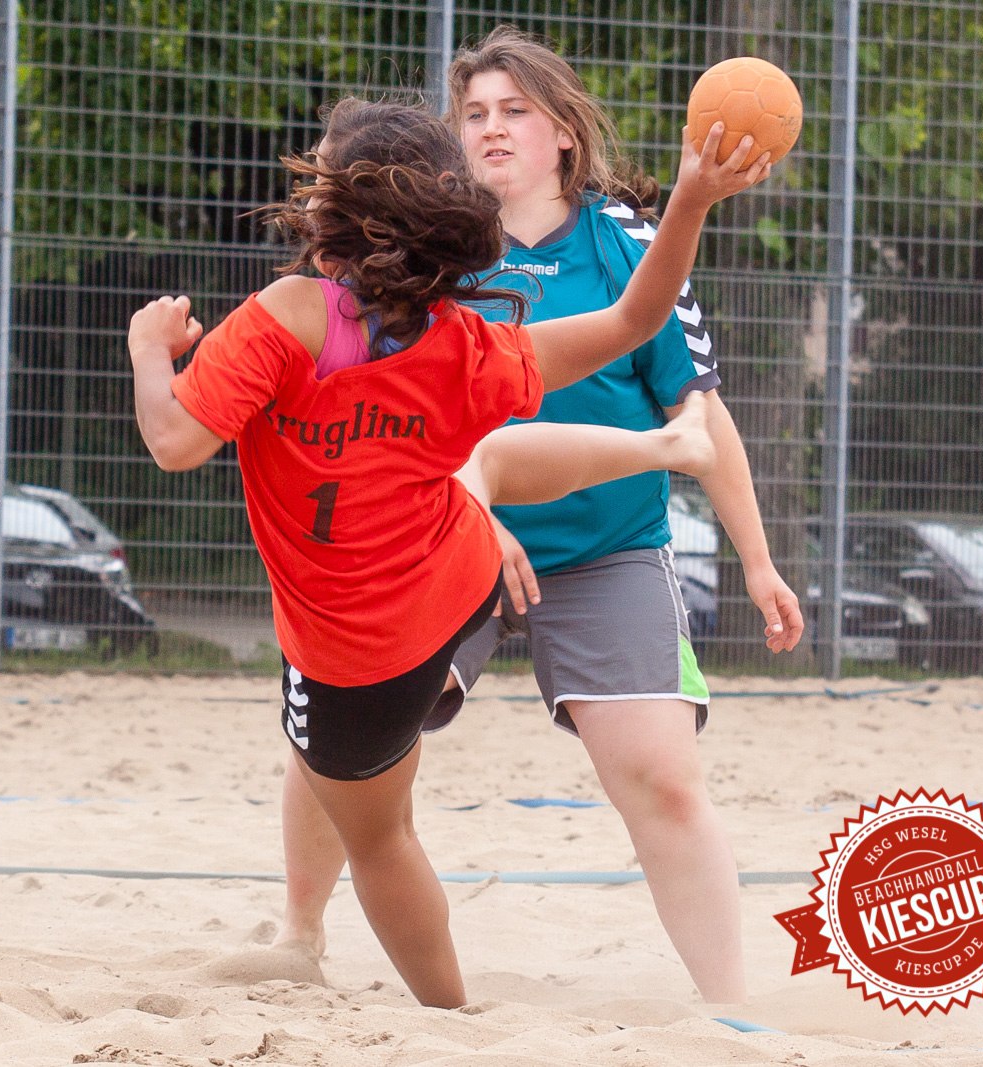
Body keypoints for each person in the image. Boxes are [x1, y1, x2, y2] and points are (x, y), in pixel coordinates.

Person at [128, 95, 769, 1009]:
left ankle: (448, 1010)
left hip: (361, 651)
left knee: (380, 835)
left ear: (326, 208)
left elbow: (174, 441)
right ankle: (660, 449)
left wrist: (153, 351)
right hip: (462, 578)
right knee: (492, 458)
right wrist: (693, 200)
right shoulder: (463, 339)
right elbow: (634, 320)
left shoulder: (287, 318)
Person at [268, 31, 805, 1006]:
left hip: (607, 550)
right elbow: (371, 415)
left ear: (561, 133)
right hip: (436, 543)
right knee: (340, 735)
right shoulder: (418, 256)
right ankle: (297, 934)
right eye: (472, 112)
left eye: (513, 109)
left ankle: (731, 1009)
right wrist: (472, 514)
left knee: (662, 777)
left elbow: (698, 410)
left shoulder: (624, 244)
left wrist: (758, 560)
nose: (490, 127)